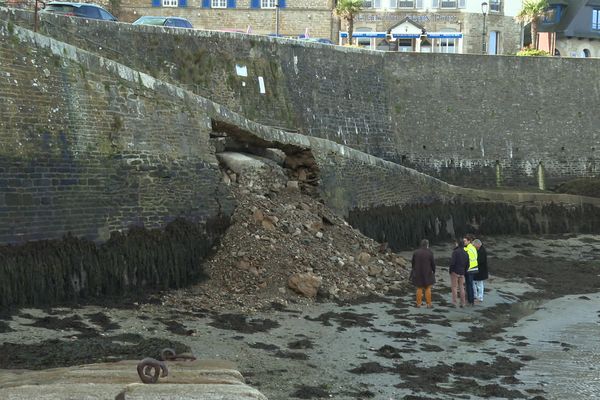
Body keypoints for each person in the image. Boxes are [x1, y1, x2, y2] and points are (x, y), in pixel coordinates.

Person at [410, 239, 436, 308]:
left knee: (419, 288)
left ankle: (418, 303)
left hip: (418, 272)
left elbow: (413, 262)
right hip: (427, 272)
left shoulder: (416, 252)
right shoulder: (430, 252)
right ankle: (429, 304)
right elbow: (433, 263)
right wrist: (434, 270)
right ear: (427, 244)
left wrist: (414, 269)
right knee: (428, 288)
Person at [448, 239, 468, 307]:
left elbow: (452, 263)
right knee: (462, 287)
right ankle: (463, 303)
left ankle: (454, 302)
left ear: (458, 244)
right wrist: (464, 271)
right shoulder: (466, 253)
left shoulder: (455, 252)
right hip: (462, 272)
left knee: (454, 287)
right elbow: (467, 264)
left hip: (455, 271)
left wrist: (450, 271)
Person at [463, 234, 478, 306]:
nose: (464, 242)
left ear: (469, 241)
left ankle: (470, 300)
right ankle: (471, 300)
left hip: (469, 269)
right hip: (475, 268)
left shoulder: (467, 249)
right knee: (471, 284)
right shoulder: (473, 248)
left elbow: (466, 259)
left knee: (469, 285)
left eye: (465, 241)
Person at [472, 239, 488, 303]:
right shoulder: (478, 249)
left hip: (481, 271)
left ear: (478, 245)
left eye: (474, 246)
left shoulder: (482, 251)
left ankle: (480, 297)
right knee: (473, 282)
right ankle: (475, 295)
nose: (474, 247)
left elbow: (480, 261)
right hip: (477, 270)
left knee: (480, 284)